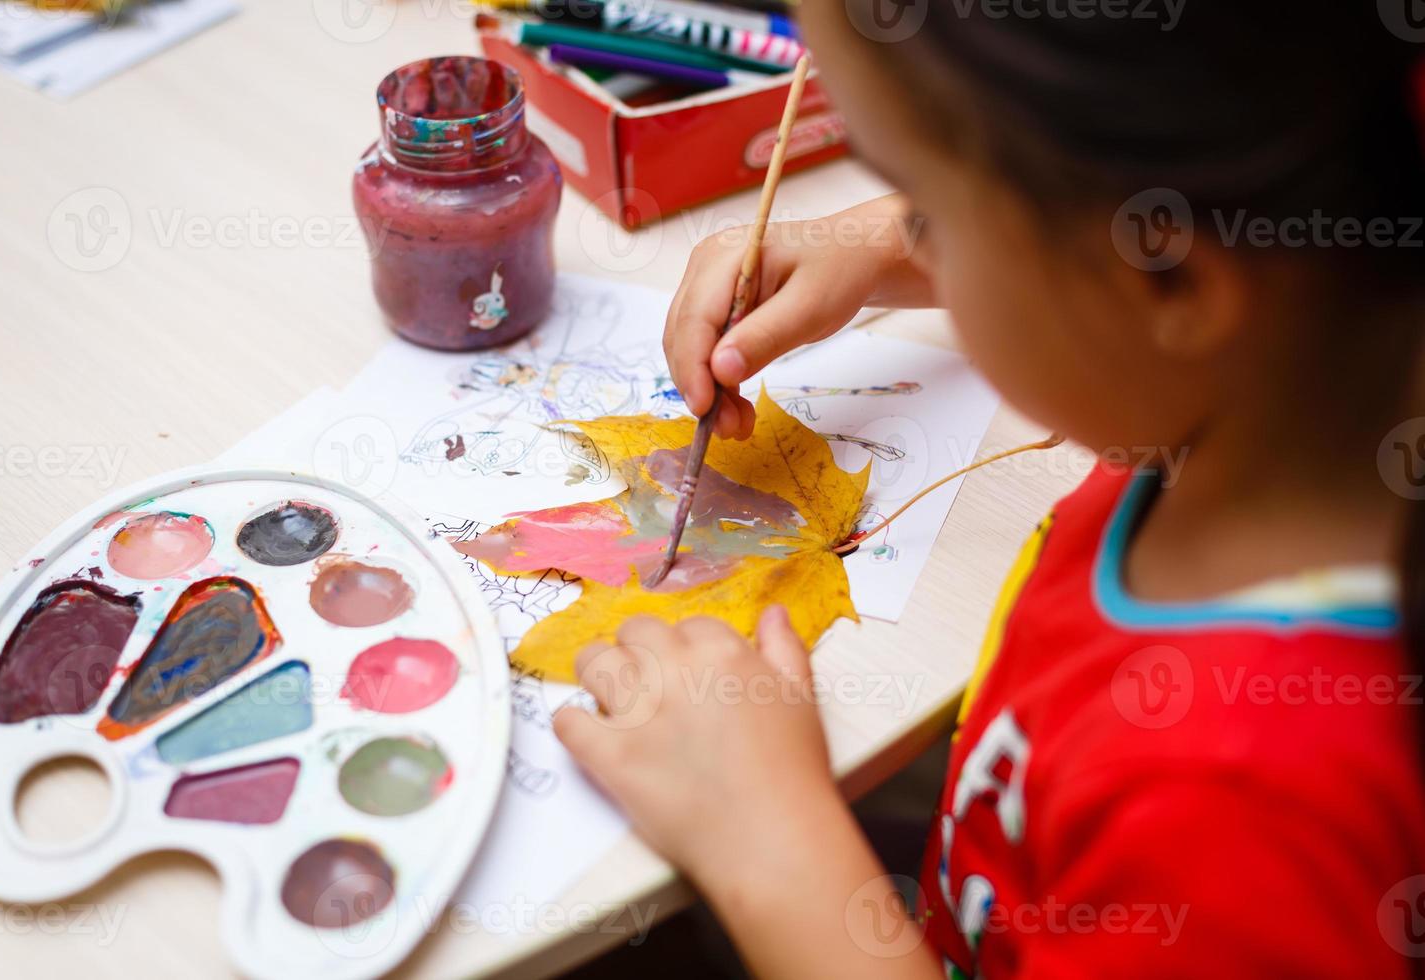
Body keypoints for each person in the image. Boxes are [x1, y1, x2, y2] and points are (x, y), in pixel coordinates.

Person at [553, 5, 1425, 976]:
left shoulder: (1238, 819)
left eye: (922, 202)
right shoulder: (1292, 374)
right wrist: (887, 242)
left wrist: (765, 838)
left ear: (1168, 279)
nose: (910, 230)